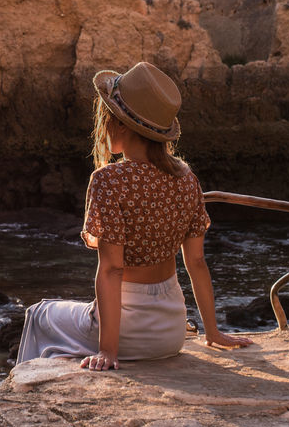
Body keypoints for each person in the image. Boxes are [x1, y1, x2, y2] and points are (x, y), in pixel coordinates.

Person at [17, 61, 253, 370]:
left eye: (107, 117)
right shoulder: (187, 179)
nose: (103, 125)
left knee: (39, 313)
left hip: (127, 332)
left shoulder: (108, 180)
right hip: (171, 331)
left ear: (123, 125)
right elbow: (195, 262)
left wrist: (108, 352)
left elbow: (113, 269)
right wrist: (213, 332)